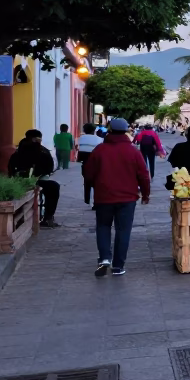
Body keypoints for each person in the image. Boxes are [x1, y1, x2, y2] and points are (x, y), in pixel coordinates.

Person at [83, 117, 150, 277]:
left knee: (103, 227)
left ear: (110, 130)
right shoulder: (133, 151)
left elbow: (88, 173)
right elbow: (143, 175)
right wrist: (146, 194)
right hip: (127, 198)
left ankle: (105, 257)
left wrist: (96, 186)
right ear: (126, 131)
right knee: (123, 230)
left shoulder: (99, 150)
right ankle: (118, 266)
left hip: (103, 197)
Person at [7, 136, 61, 228]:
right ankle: (48, 217)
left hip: (18, 182)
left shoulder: (16, 154)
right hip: (37, 182)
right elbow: (49, 170)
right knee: (54, 187)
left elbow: (10, 170)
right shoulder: (43, 153)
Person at [76, 123, 102, 206]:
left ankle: (87, 198)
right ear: (94, 130)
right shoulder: (99, 139)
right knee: (96, 183)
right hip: (96, 163)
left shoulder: (81, 138)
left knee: (86, 180)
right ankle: (96, 202)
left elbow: (77, 147)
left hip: (85, 162)